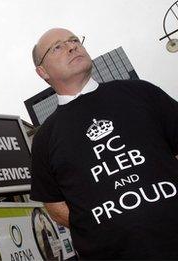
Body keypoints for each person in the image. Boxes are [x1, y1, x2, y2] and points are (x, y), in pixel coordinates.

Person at [29, 28, 178, 259]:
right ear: (42, 71)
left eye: (74, 40)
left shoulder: (141, 92)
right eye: (58, 47)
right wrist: (100, 228)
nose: (72, 46)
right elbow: (55, 206)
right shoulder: (44, 138)